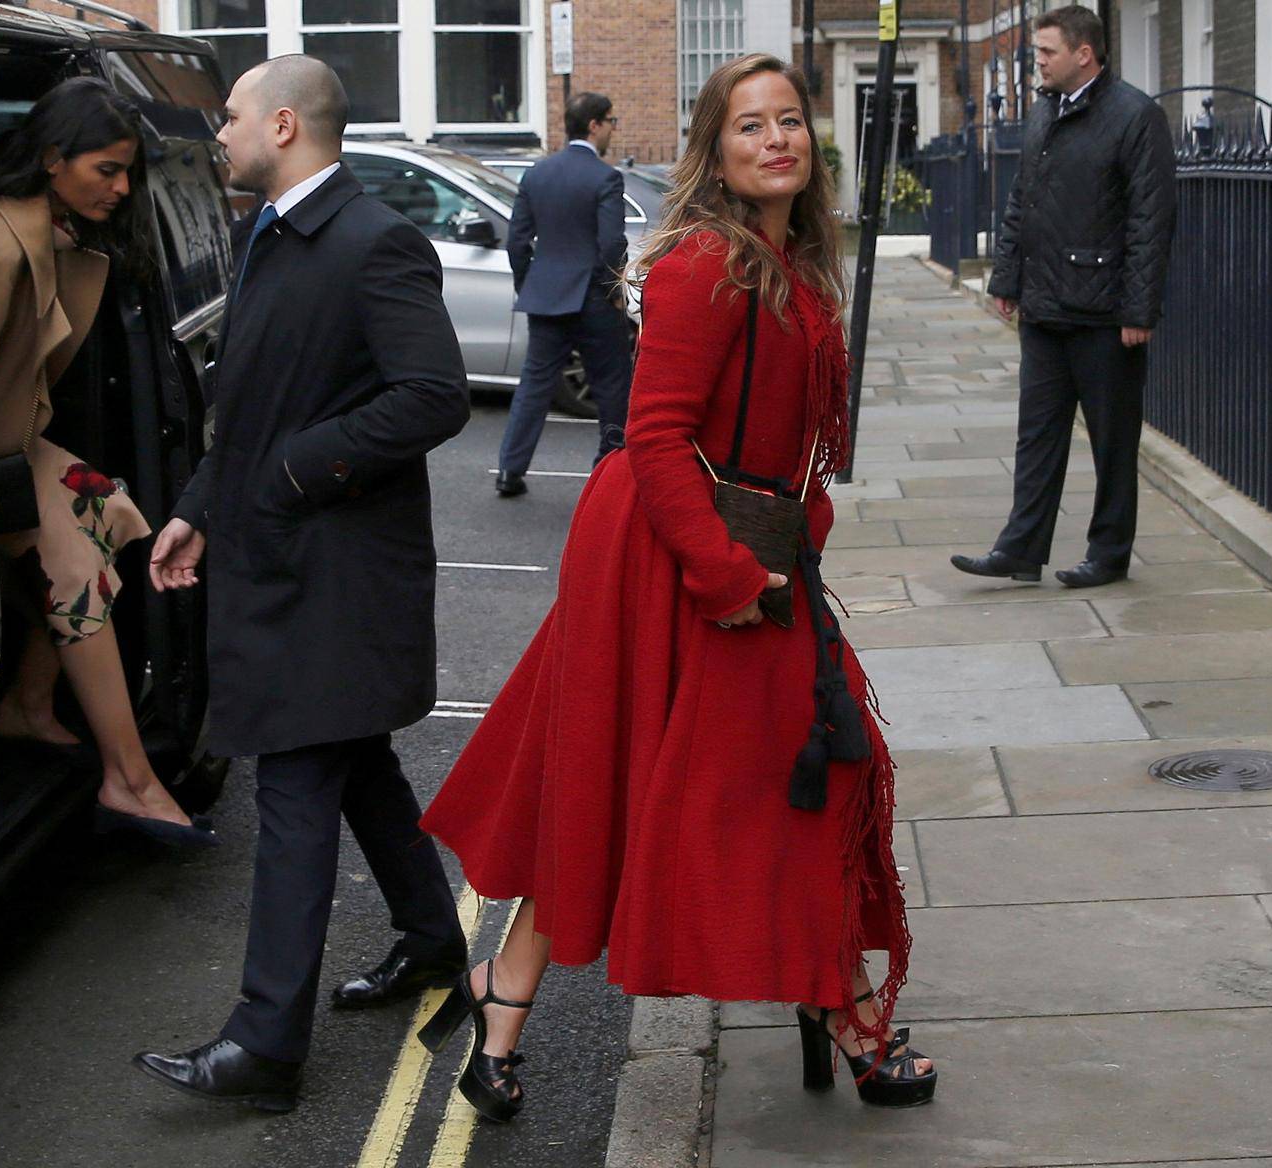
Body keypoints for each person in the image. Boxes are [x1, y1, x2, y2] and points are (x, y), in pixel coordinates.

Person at [418, 53, 936, 1125]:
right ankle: (841, 1016)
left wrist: (790, 543)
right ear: (716, 148)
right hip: (672, 559)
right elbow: (654, 440)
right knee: (706, 785)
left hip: (744, 549)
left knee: (768, 780)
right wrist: (727, 576)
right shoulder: (709, 265)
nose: (775, 140)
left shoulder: (788, 264)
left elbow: (787, 447)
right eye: (749, 126)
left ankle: (500, 1008)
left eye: (789, 121)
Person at [133, 56, 471, 1113]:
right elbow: (252, 401)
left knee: (292, 791)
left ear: (282, 124)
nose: (217, 133)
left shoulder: (375, 241)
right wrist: (200, 500)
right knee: (354, 763)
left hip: (336, 578)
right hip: (284, 559)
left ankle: (266, 1043)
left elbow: (433, 396)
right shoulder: (269, 230)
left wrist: (284, 475)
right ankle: (430, 941)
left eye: (228, 116)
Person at [0, 77, 215, 845]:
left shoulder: (51, 236)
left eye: (128, 173)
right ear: (53, 160)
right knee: (77, 571)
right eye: (107, 170)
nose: (123, 190)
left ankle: (28, 702)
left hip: (16, 443)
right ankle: (129, 779)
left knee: (116, 513)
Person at [952, 4, 1176, 588]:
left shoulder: (1136, 117)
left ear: (1084, 53)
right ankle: (1021, 549)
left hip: (1106, 315)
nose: (1038, 63)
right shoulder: (1043, 111)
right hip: (1045, 306)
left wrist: (1138, 309)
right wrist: (1006, 279)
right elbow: (1022, 199)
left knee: (1112, 442)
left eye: (1046, 52)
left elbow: (1151, 220)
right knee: (1037, 435)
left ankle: (1108, 554)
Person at [495, 91, 632, 496]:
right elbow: (611, 244)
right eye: (611, 121)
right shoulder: (605, 177)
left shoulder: (537, 174)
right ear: (594, 125)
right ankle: (609, 470)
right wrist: (614, 291)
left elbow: (517, 244)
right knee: (611, 385)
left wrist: (529, 285)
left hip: (546, 296)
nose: (612, 129)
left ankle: (510, 470)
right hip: (593, 297)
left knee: (534, 385)